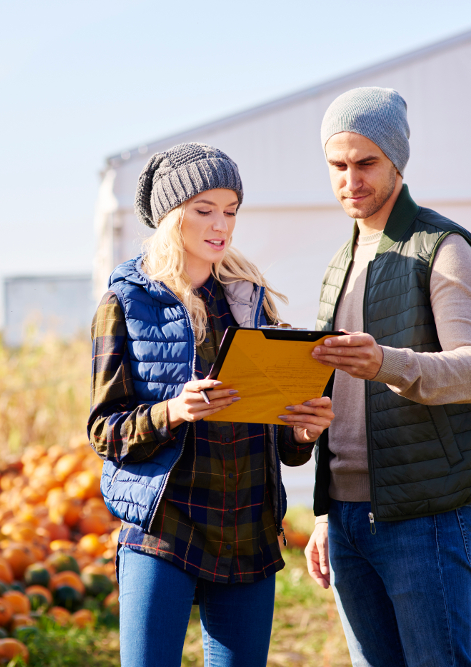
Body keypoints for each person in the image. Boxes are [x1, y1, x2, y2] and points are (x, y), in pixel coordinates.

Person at [88, 142, 334, 667]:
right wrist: (173, 411)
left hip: (246, 528)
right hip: (164, 525)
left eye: (230, 211)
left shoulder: (253, 299)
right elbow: (104, 432)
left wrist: (303, 431)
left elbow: (281, 438)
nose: (221, 225)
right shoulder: (125, 304)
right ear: (170, 216)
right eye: (204, 210)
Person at [301, 87, 471, 667]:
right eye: (337, 166)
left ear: (397, 160)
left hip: (423, 515)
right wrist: (323, 516)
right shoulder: (340, 263)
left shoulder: (444, 248)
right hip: (345, 518)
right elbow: (336, 398)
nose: (350, 180)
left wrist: (387, 362)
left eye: (366, 163)